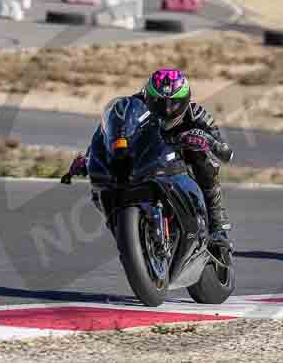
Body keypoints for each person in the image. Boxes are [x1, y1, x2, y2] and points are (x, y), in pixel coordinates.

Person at [67, 69, 234, 246]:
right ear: (148, 96)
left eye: (174, 103)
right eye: (159, 103)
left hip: (178, 163)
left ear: (185, 100)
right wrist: (89, 157)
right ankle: (128, 228)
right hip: (143, 161)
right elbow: (110, 133)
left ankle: (217, 223)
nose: (167, 109)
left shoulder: (196, 114)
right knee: (103, 181)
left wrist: (207, 140)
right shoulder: (132, 107)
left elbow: (224, 152)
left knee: (202, 157)